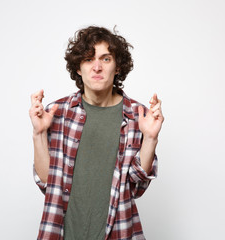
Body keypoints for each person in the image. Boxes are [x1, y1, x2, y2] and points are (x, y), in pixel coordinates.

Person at [29, 26, 164, 240]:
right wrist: (38, 134)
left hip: (118, 232)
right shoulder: (57, 112)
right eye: (89, 59)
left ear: (118, 66)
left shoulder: (137, 116)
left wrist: (150, 138)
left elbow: (136, 189)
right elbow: (47, 183)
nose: (97, 67)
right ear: (79, 68)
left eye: (106, 59)